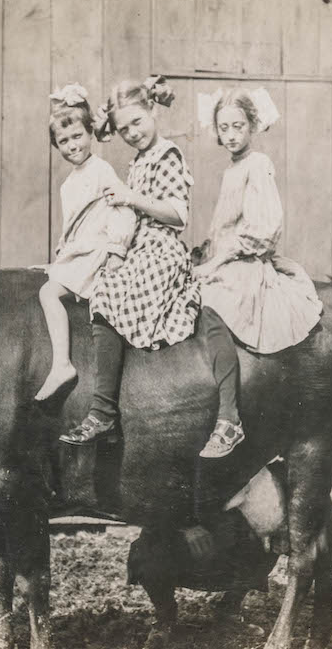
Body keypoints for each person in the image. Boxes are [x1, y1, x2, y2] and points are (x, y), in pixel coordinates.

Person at [59, 76, 245, 460]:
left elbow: (178, 215)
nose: (131, 133)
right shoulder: (139, 159)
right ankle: (107, 408)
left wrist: (131, 197)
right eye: (123, 129)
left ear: (152, 111)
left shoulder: (168, 154)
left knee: (108, 294)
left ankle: (103, 411)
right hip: (138, 246)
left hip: (161, 248)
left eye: (138, 123)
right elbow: (105, 130)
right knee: (101, 282)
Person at [193, 87, 322, 355]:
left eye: (238, 127)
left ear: (252, 125)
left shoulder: (258, 164)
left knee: (213, 303)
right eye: (224, 127)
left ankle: (228, 391)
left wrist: (216, 263)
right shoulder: (231, 169)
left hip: (243, 264)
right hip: (222, 259)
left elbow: (261, 228)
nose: (230, 135)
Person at [35, 83, 137, 401]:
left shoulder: (101, 170)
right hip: (82, 252)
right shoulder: (69, 184)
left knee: (48, 292)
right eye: (63, 141)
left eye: (77, 136)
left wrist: (118, 248)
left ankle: (63, 364)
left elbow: (123, 211)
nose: (72, 146)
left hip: (100, 252)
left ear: (90, 133)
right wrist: (58, 260)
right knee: (47, 281)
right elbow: (73, 230)